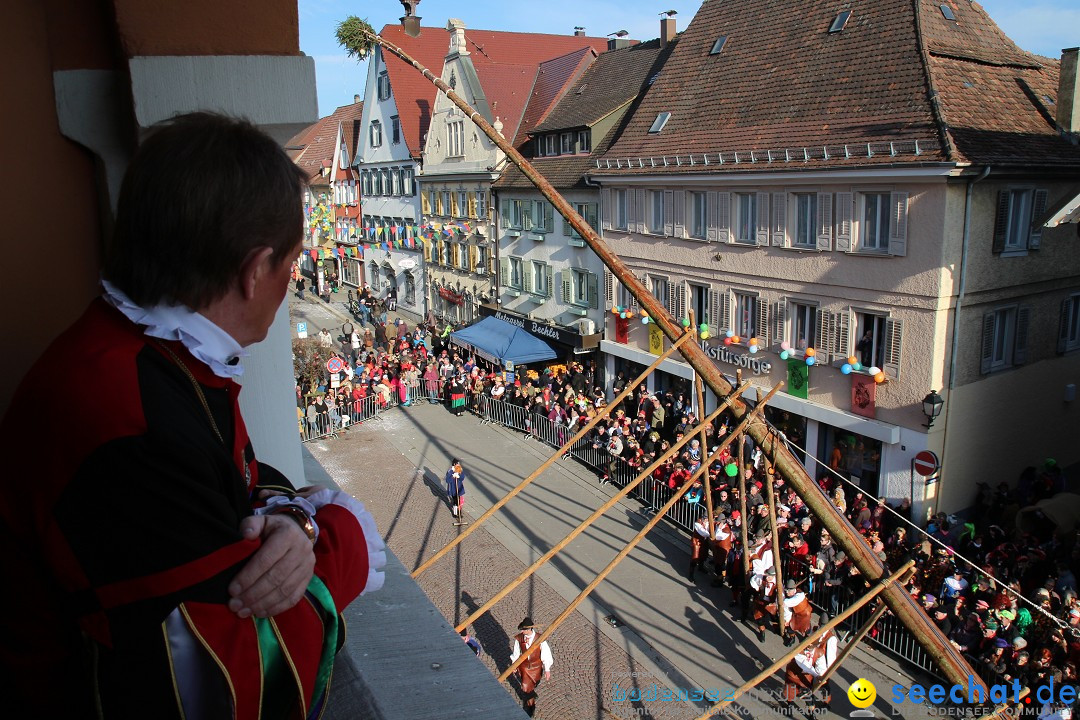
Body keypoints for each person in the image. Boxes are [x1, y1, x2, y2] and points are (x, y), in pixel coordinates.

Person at [0, 112, 386, 717]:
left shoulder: (148, 353)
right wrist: (345, 533)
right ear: (255, 271)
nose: (292, 281)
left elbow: (234, 486)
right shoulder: (130, 416)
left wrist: (294, 521)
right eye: (290, 265)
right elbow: (227, 675)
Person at [783, 628, 838, 711]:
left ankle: (822, 705)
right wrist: (816, 675)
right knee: (791, 690)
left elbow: (825, 660)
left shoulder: (824, 646)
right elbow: (805, 665)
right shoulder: (799, 652)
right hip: (795, 674)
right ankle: (789, 705)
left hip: (809, 674)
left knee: (817, 690)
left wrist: (822, 675)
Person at [510, 617, 553, 717]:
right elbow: (516, 653)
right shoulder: (519, 638)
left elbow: (546, 654)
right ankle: (531, 705)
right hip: (524, 668)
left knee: (529, 687)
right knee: (525, 687)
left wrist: (547, 669)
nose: (523, 631)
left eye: (524, 629)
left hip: (536, 668)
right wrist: (514, 665)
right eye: (522, 629)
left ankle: (531, 699)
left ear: (530, 629)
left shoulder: (540, 639)